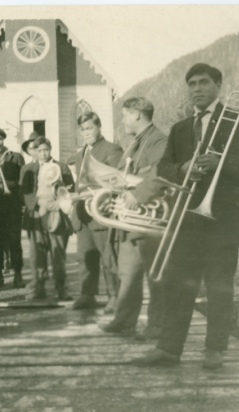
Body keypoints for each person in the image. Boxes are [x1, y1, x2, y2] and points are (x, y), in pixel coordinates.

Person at [132, 63, 239, 369]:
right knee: (178, 283)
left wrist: (221, 161)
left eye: (203, 82)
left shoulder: (238, 119)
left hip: (225, 219)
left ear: (218, 85)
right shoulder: (181, 129)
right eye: (192, 84)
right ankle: (169, 349)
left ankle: (215, 350)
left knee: (219, 285)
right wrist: (183, 168)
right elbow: (163, 169)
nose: (196, 88)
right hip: (187, 218)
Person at [100, 97, 168, 340]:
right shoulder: (134, 144)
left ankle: (157, 328)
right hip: (131, 221)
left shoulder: (158, 139)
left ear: (137, 115)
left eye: (125, 115)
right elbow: (122, 175)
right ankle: (124, 321)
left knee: (155, 277)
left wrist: (137, 194)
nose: (123, 120)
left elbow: (161, 173)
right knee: (127, 273)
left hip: (149, 220)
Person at [70, 112, 122, 311]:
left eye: (89, 128)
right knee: (85, 257)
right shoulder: (79, 153)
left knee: (108, 256)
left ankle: (115, 296)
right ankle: (87, 295)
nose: (86, 133)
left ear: (99, 127)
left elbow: (117, 182)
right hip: (83, 214)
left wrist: (98, 197)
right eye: (82, 129)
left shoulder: (112, 149)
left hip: (101, 212)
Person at [19, 136, 75, 300]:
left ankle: (61, 286)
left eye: (46, 149)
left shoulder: (61, 167)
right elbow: (23, 192)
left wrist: (60, 202)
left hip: (57, 213)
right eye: (39, 150)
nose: (43, 153)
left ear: (50, 149)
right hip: (37, 214)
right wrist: (38, 203)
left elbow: (71, 190)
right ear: (34, 151)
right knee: (38, 252)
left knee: (58, 252)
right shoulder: (28, 169)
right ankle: (39, 286)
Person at [0, 126, 26, 289]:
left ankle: (18, 275)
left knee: (15, 241)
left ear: (4, 140)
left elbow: (22, 181)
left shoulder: (16, 157)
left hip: (12, 204)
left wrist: (7, 184)